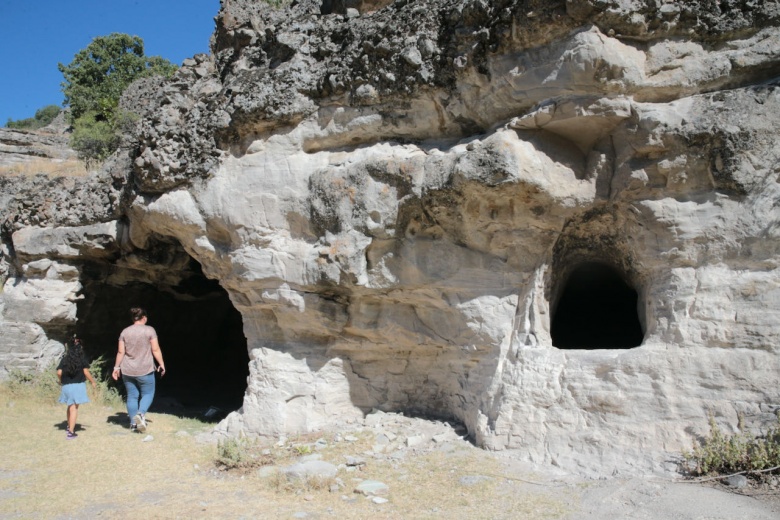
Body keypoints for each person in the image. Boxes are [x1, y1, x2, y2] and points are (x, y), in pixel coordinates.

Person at [112, 307, 166, 433]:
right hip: (145, 369)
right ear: (144, 318)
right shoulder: (149, 330)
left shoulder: (125, 332)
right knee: (148, 393)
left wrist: (116, 367)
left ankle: (133, 424)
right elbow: (155, 349)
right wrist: (161, 364)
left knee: (132, 396)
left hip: (127, 369)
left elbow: (121, 352)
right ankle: (141, 415)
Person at [57, 336, 97, 439]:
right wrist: (92, 381)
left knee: (70, 406)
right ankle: (71, 432)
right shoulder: (81, 359)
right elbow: (86, 372)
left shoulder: (65, 359)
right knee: (74, 409)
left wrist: (61, 380)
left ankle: (69, 425)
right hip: (78, 386)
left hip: (66, 386)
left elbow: (59, 372)